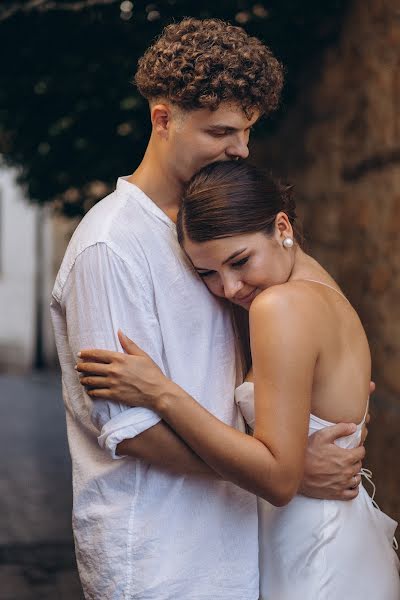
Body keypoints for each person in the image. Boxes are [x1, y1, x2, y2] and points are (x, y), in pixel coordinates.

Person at [52, 17, 366, 600]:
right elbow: (134, 430)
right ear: (163, 119)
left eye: (247, 133)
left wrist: (326, 391)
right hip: (159, 557)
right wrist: (289, 474)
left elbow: (313, 306)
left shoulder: (220, 232)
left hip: (236, 547)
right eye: (222, 132)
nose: (240, 150)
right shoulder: (111, 245)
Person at [77, 161, 400, 599]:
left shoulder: (280, 306)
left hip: (313, 561)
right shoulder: (320, 288)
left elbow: (278, 479)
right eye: (207, 273)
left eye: (239, 261)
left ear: (281, 226)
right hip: (327, 542)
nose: (229, 288)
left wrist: (160, 392)